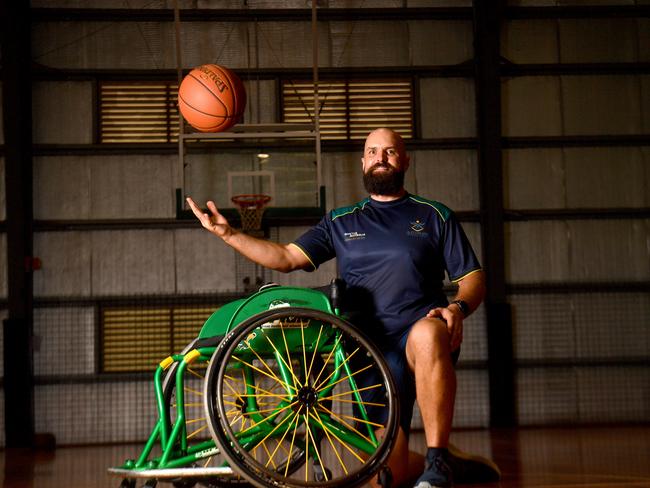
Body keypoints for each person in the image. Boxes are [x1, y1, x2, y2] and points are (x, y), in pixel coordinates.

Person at [187, 128, 487, 488]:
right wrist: (230, 235)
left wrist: (458, 307)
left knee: (427, 333)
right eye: (373, 151)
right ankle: (449, 467)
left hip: (419, 333)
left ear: (405, 161)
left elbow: (472, 277)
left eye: (390, 152)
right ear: (363, 162)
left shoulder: (434, 216)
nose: (381, 158)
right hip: (365, 349)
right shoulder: (342, 221)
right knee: (385, 477)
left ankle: (438, 459)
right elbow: (285, 258)